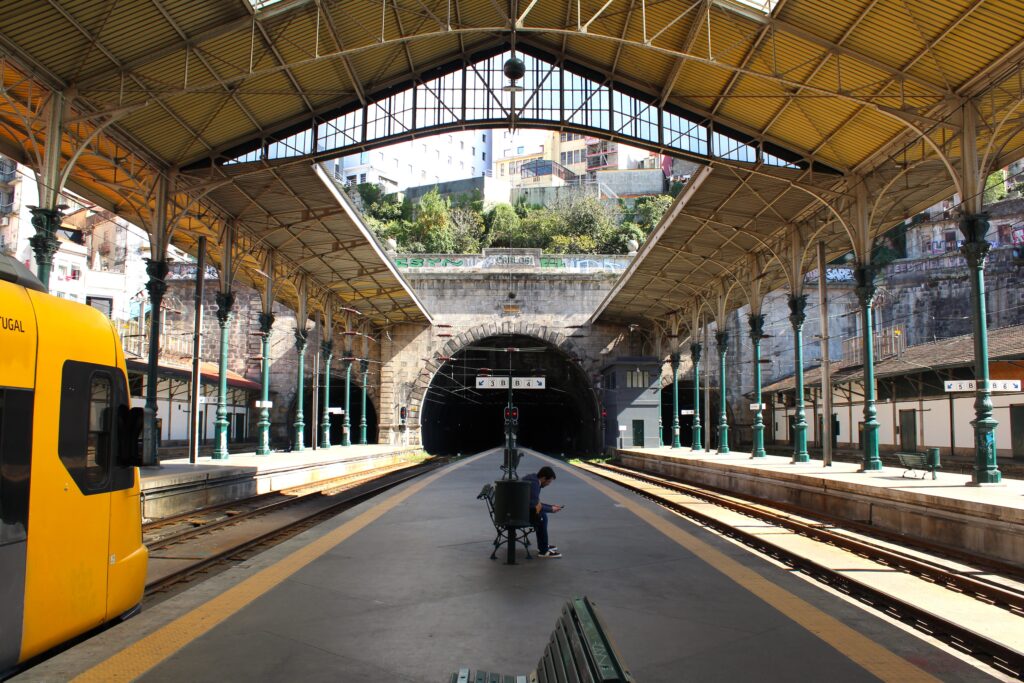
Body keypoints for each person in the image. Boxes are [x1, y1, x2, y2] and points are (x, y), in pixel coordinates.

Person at [522, 466, 563, 558]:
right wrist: (551, 509)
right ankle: (543, 551)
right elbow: (534, 505)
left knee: (542, 515)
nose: (548, 484)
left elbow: (536, 503)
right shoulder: (534, 484)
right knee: (541, 517)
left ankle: (543, 546)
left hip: (517, 510)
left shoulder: (533, 479)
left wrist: (551, 507)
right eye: (548, 481)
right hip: (518, 515)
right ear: (544, 478)